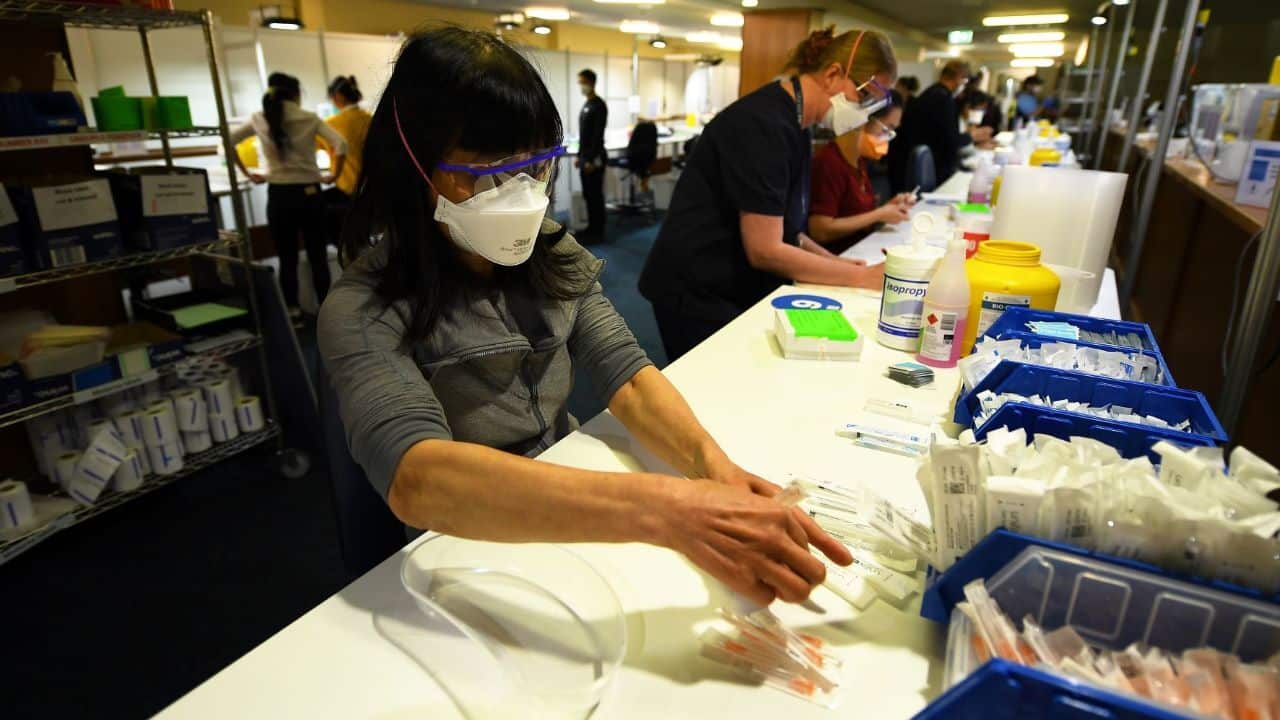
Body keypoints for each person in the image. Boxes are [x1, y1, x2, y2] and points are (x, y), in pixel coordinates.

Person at [318, 27, 850, 607]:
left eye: (537, 167)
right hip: (466, 548)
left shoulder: (548, 251)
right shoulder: (364, 306)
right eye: (490, 172)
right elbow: (420, 478)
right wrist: (666, 510)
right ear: (416, 166)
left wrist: (712, 466)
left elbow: (627, 373)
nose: (523, 194)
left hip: (572, 503)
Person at [640, 27, 897, 361]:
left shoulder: (798, 124)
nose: (864, 111)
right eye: (864, 97)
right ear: (833, 73)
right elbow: (766, 249)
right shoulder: (762, 123)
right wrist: (860, 277)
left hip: (730, 280)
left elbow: (789, 230)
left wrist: (835, 263)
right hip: (696, 287)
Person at [232, 72, 347, 315]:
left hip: (279, 196)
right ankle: (327, 311)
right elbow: (341, 145)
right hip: (309, 194)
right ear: (295, 94)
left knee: (287, 258)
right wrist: (334, 176)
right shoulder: (308, 118)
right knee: (317, 255)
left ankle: (293, 311)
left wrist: (248, 174)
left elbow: (228, 139)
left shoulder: (259, 118)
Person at [809, 91, 914, 254]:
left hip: (861, 249)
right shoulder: (828, 163)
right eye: (887, 129)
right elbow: (820, 229)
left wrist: (888, 209)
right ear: (863, 121)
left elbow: (858, 215)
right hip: (839, 258)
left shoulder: (858, 161)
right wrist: (878, 214)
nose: (887, 137)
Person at [886, 60, 992, 191]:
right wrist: (971, 136)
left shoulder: (933, 93)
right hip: (929, 166)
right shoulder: (943, 99)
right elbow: (950, 141)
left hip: (910, 161)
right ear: (959, 77)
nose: (964, 85)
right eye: (964, 80)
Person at [320, 75, 372, 262]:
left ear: (338, 97)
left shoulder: (333, 123)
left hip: (347, 187)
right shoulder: (370, 119)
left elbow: (309, 145)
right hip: (370, 187)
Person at [576, 69, 608, 244]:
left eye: (583, 82)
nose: (581, 86)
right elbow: (584, 135)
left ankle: (598, 231)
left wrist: (590, 160)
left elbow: (597, 136)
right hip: (584, 158)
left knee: (595, 195)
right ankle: (590, 228)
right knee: (588, 195)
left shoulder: (599, 105)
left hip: (594, 159)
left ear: (591, 82)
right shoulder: (586, 104)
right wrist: (580, 156)